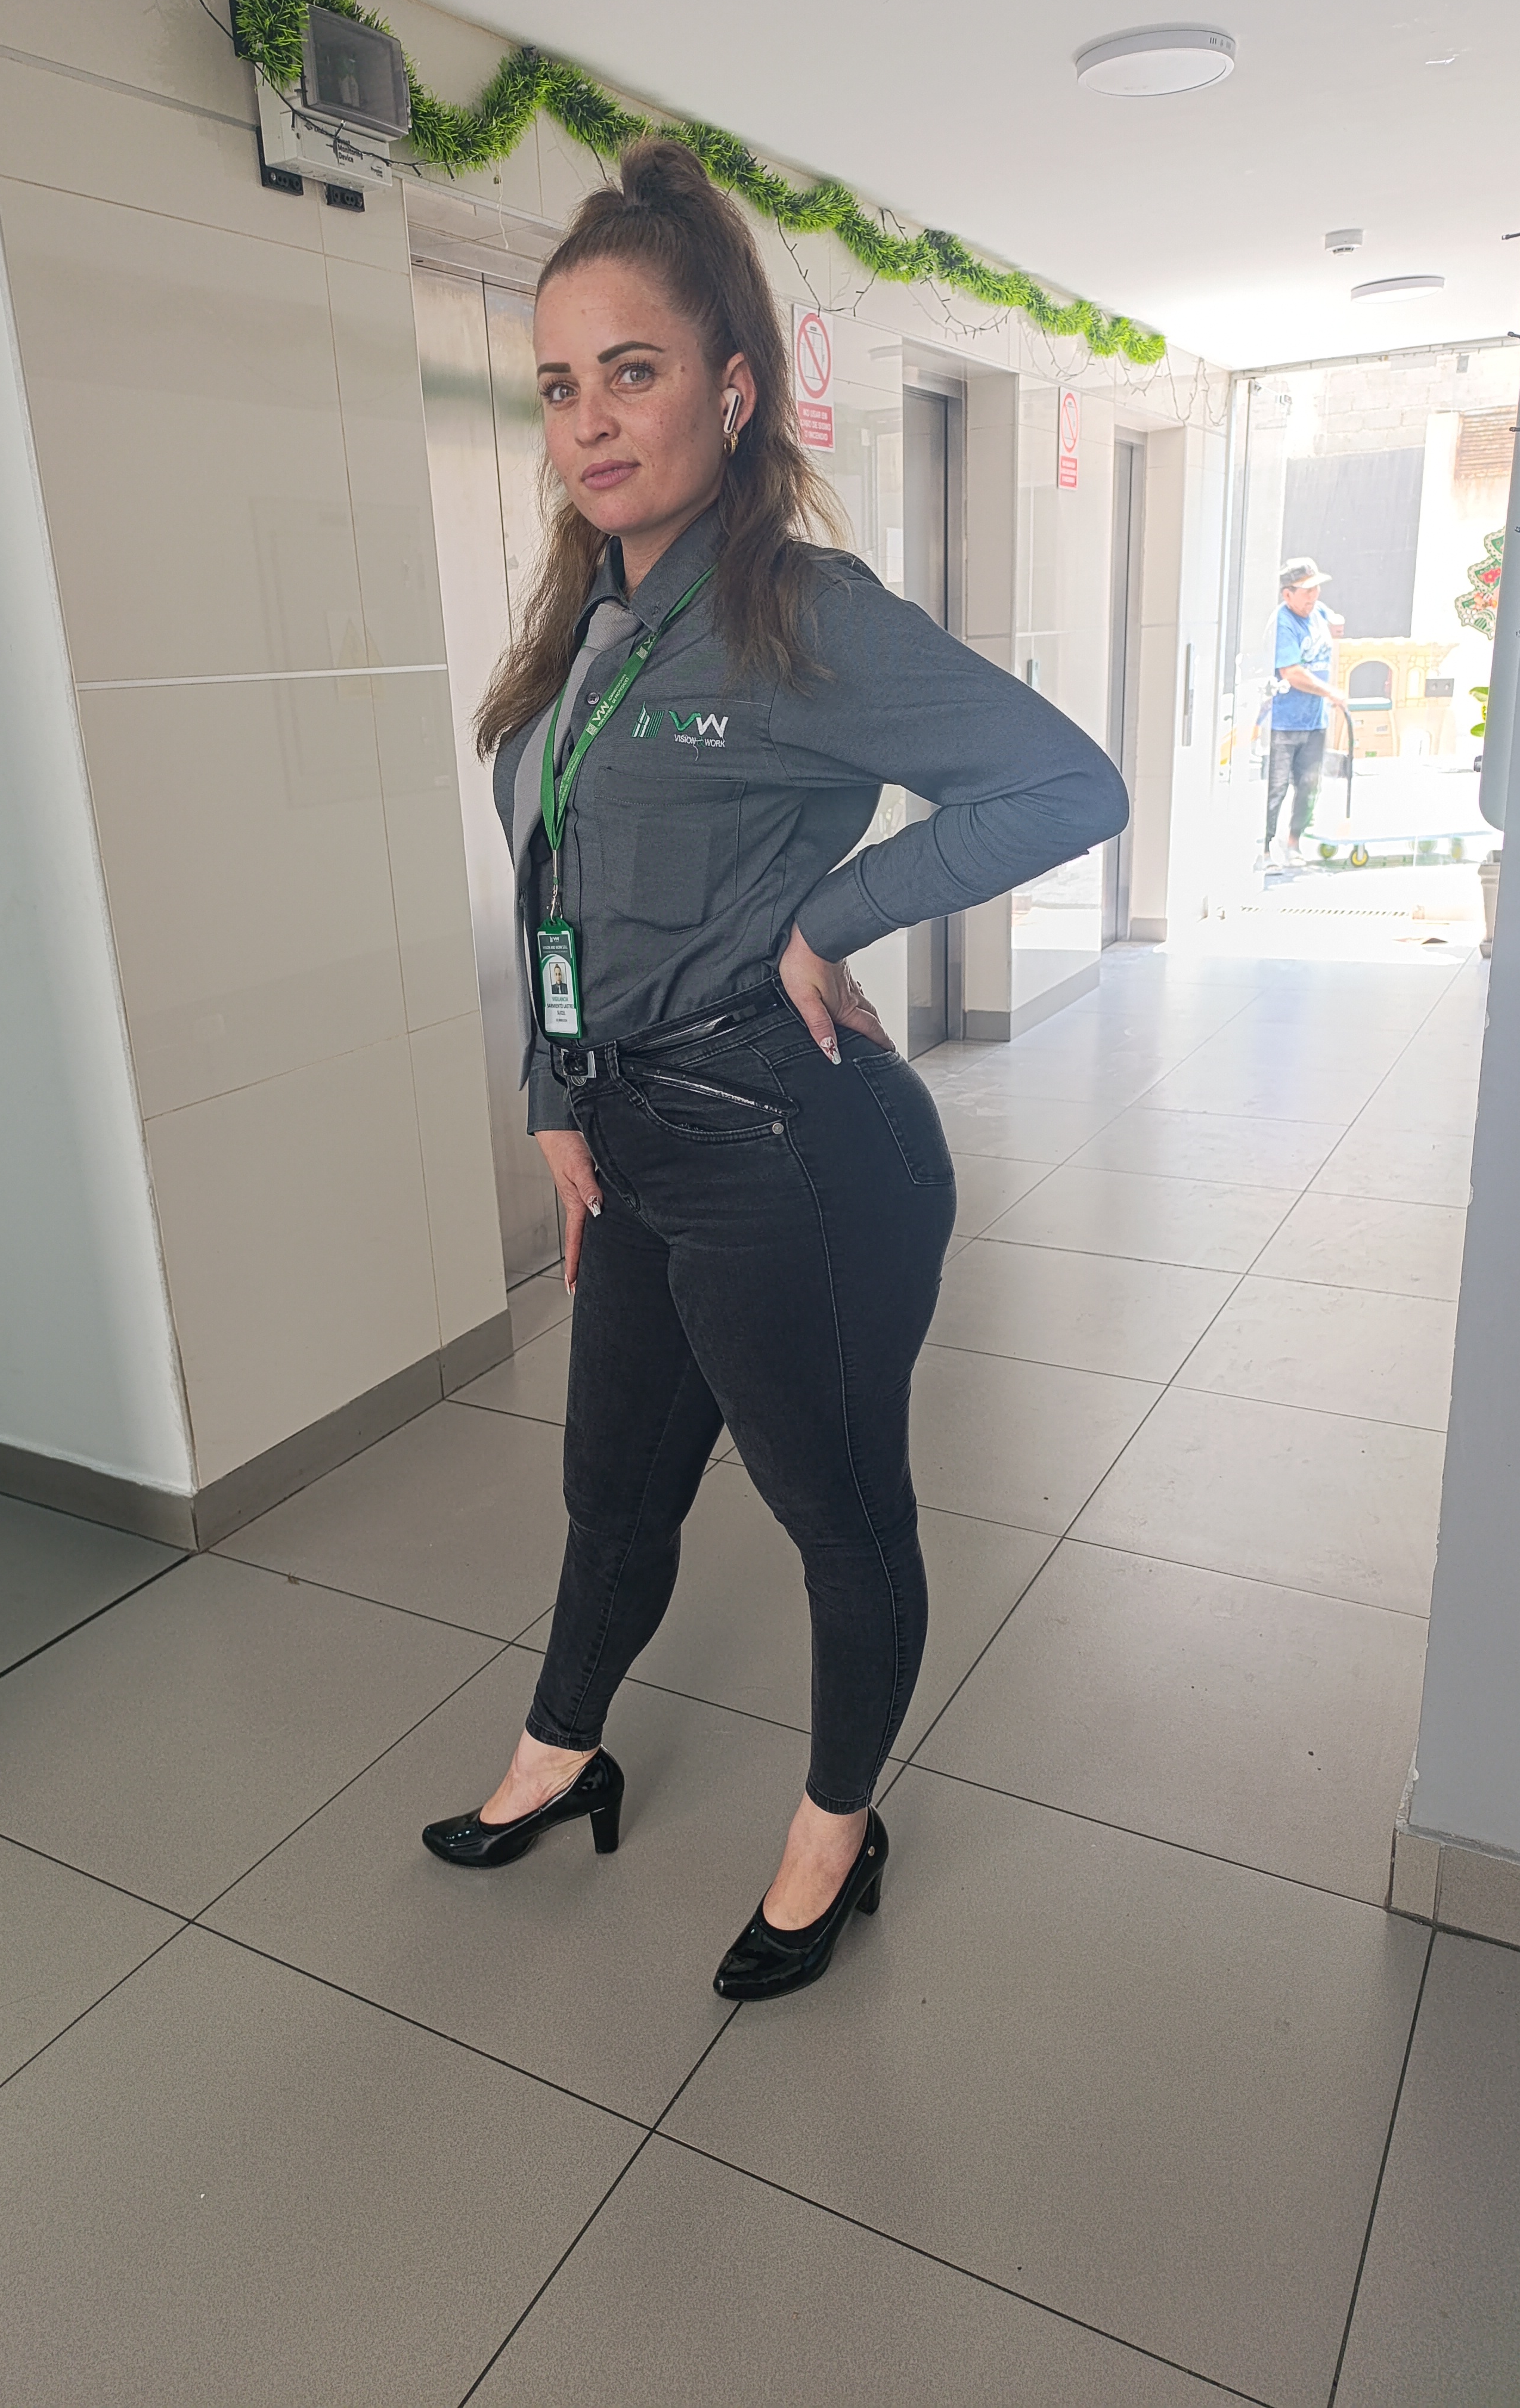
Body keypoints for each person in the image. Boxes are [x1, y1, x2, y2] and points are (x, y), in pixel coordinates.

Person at [419, 140, 1128, 2002]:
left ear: (733, 390)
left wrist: (833, 914)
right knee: (611, 1493)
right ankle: (561, 1753)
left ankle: (836, 1829)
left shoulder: (794, 613)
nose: (589, 421)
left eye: (632, 371)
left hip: (790, 1150)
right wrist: (554, 1094)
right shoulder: (585, 626)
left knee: (837, 1516)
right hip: (632, 1138)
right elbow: (555, 879)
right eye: (558, 385)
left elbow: (1068, 784)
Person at [1268, 556, 1346, 862]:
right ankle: (1265, 847)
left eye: (1316, 588)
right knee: (1276, 789)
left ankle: (1294, 843)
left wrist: (1336, 622)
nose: (1314, 596)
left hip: (1315, 720)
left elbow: (1333, 619)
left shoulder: (1317, 611)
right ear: (1287, 594)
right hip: (1284, 722)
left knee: (1310, 784)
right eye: (1306, 590)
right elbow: (1291, 673)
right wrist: (1330, 692)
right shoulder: (1283, 623)